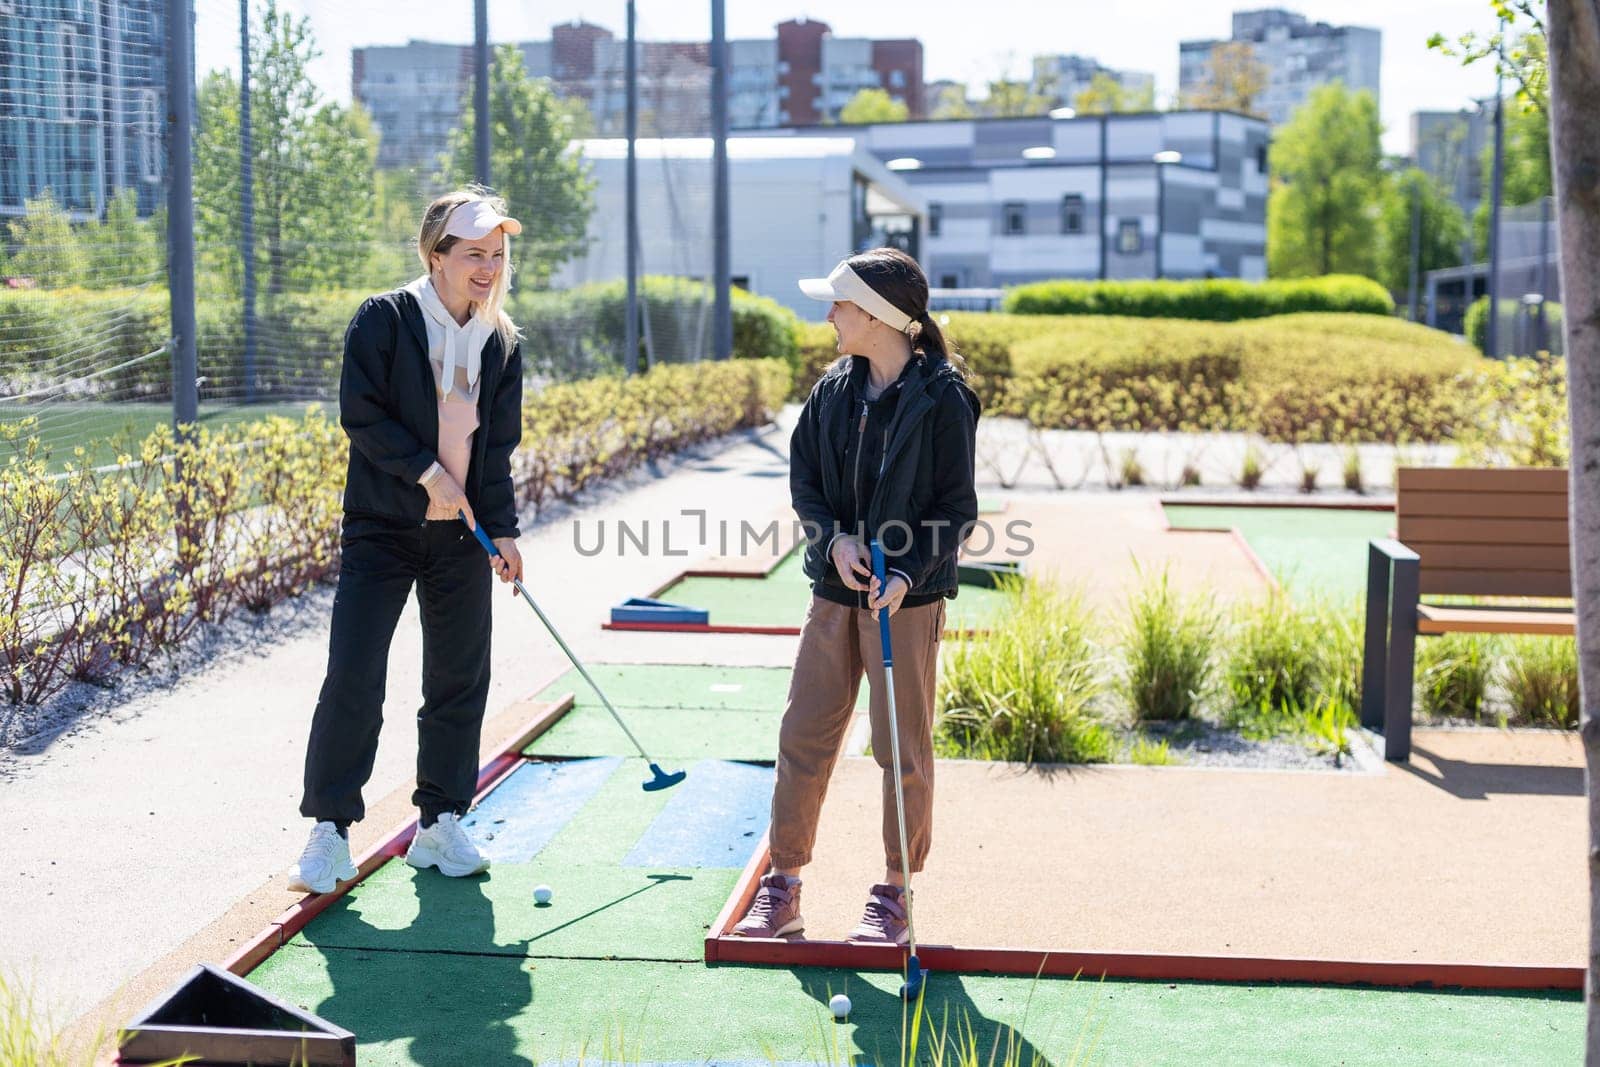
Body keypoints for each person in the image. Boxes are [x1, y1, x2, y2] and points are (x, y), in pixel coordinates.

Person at [731, 247, 980, 942]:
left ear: (876, 316)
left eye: (839, 304)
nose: (830, 314)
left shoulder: (944, 399)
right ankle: (782, 888)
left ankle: (896, 893)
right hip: (833, 593)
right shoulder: (833, 391)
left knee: (902, 747)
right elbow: (805, 484)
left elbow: (957, 508)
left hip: (908, 599)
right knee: (803, 734)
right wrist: (834, 540)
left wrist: (905, 574)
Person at [287, 189, 526, 894]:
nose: (488, 267)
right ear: (436, 256)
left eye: (497, 255)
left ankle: (440, 822)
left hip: (463, 538)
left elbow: (497, 449)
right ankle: (329, 830)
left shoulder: (501, 340)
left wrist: (503, 528)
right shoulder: (384, 320)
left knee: (458, 680)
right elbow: (360, 415)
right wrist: (425, 472)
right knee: (355, 673)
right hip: (382, 528)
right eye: (474, 254)